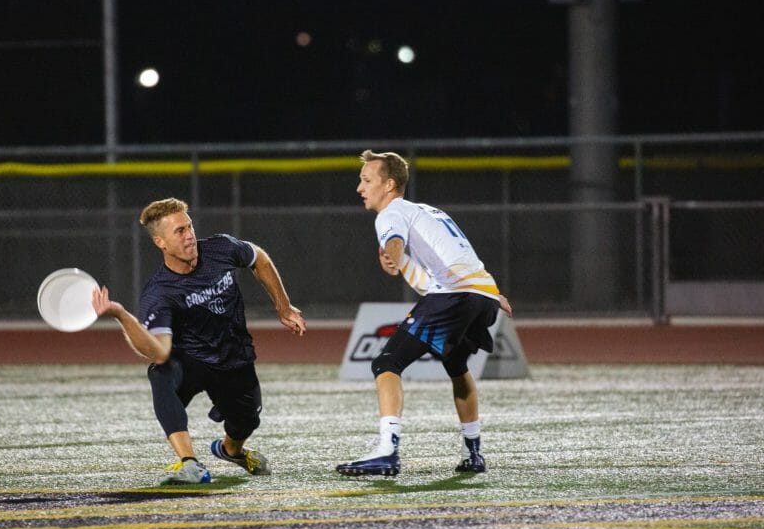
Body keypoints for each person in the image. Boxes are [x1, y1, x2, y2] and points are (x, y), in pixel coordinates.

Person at [92, 197, 306, 483]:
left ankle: (231, 451)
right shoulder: (159, 293)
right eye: (179, 231)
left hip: (234, 357)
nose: (190, 235)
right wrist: (120, 314)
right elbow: (158, 351)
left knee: (246, 421)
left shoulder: (221, 248)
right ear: (161, 243)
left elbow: (259, 259)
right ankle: (189, 462)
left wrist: (283, 306)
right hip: (191, 360)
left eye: (189, 226)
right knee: (161, 372)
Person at [337, 150, 513, 477]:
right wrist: (491, 293)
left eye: (366, 180)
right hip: (482, 296)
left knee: (386, 363)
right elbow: (437, 271)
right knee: (456, 364)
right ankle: (473, 453)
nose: (360, 188)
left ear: (389, 185)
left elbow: (394, 241)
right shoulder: (426, 212)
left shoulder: (390, 214)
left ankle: (387, 453)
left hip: (456, 297)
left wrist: (392, 250)